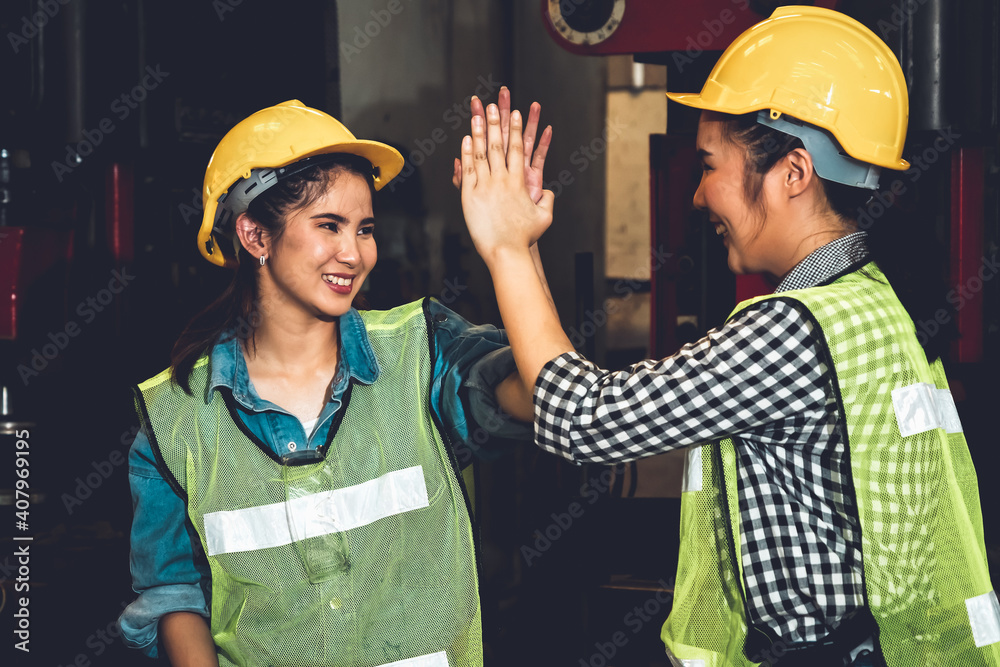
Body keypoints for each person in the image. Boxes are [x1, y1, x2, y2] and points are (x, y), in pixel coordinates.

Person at [458, 7, 1000, 667]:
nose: (696, 195)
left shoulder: (790, 331)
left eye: (710, 164)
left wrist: (509, 249)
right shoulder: (880, 300)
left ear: (793, 172)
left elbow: (585, 419)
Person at [117, 97, 548, 667]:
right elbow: (177, 596)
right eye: (329, 226)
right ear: (255, 236)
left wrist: (514, 250)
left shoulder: (422, 352)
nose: (355, 253)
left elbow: (541, 394)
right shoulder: (174, 417)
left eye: (364, 228)